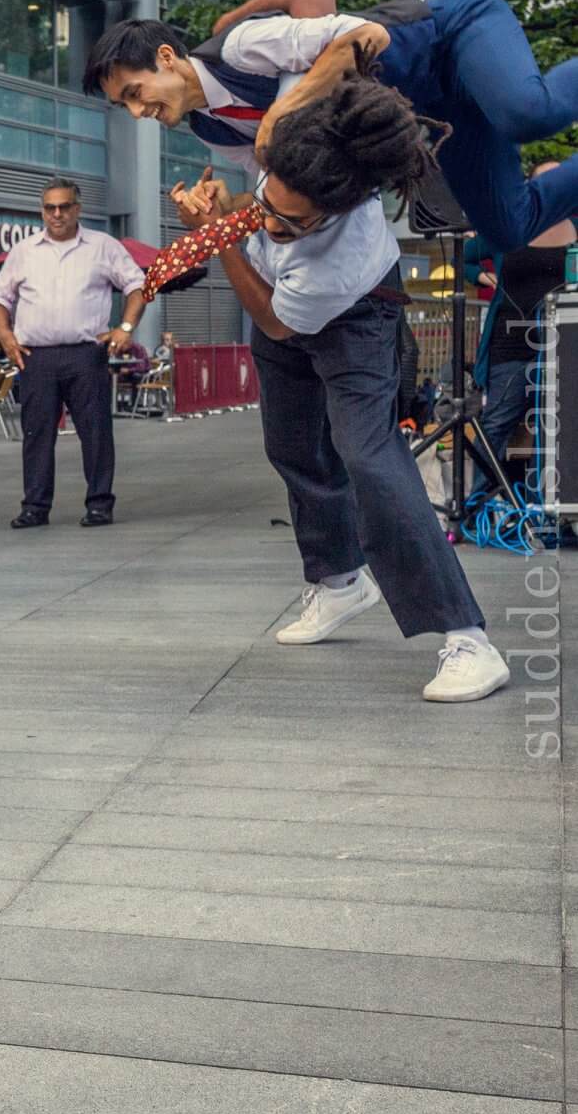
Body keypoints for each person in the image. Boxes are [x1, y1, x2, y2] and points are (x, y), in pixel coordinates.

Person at [169, 65, 508, 701]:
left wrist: (216, 240)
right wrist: (223, 211)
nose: (272, 225)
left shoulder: (339, 256)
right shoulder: (295, 160)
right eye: (271, 207)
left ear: (335, 209)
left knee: (370, 458)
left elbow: (276, 319)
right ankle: (339, 580)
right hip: (279, 297)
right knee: (291, 444)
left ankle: (468, 638)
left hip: (352, 320)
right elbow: (259, 211)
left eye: (292, 223)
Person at [83, 0, 578, 251]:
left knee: (528, 115)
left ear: (166, 57)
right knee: (507, 229)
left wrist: (283, 112)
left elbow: (368, 37)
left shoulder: (239, 48)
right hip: (440, 108)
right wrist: (226, 207)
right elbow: (278, 185)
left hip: (451, 36)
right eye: (124, 106)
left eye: (135, 93)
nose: (137, 112)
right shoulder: (209, 127)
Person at [0, 178, 148, 528]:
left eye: (64, 207)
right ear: (42, 211)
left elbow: (137, 286)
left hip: (86, 354)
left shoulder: (103, 246)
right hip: (36, 356)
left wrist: (125, 328)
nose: (57, 214)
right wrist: (5, 335)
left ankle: (99, 504)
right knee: (36, 434)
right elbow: (0, 298)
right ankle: (35, 506)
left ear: (78, 208)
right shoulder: (24, 251)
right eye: (50, 208)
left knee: (95, 431)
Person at [467, 163, 574, 500]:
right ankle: (477, 503)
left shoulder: (575, 227)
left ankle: (544, 505)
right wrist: (483, 277)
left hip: (562, 343)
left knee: (556, 427)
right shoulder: (509, 229)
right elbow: (465, 256)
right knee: (498, 421)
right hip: (511, 341)